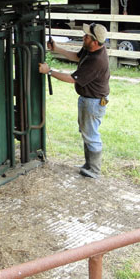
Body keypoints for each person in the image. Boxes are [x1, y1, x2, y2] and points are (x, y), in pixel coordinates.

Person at [38, 23, 110, 178]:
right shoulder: (90, 49)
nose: (83, 37)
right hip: (89, 99)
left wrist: (48, 71)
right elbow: (77, 56)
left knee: (91, 135)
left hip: (93, 102)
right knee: (86, 133)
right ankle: (89, 165)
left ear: (95, 42)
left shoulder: (97, 60)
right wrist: (57, 49)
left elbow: (72, 79)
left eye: (87, 37)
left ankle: (94, 171)